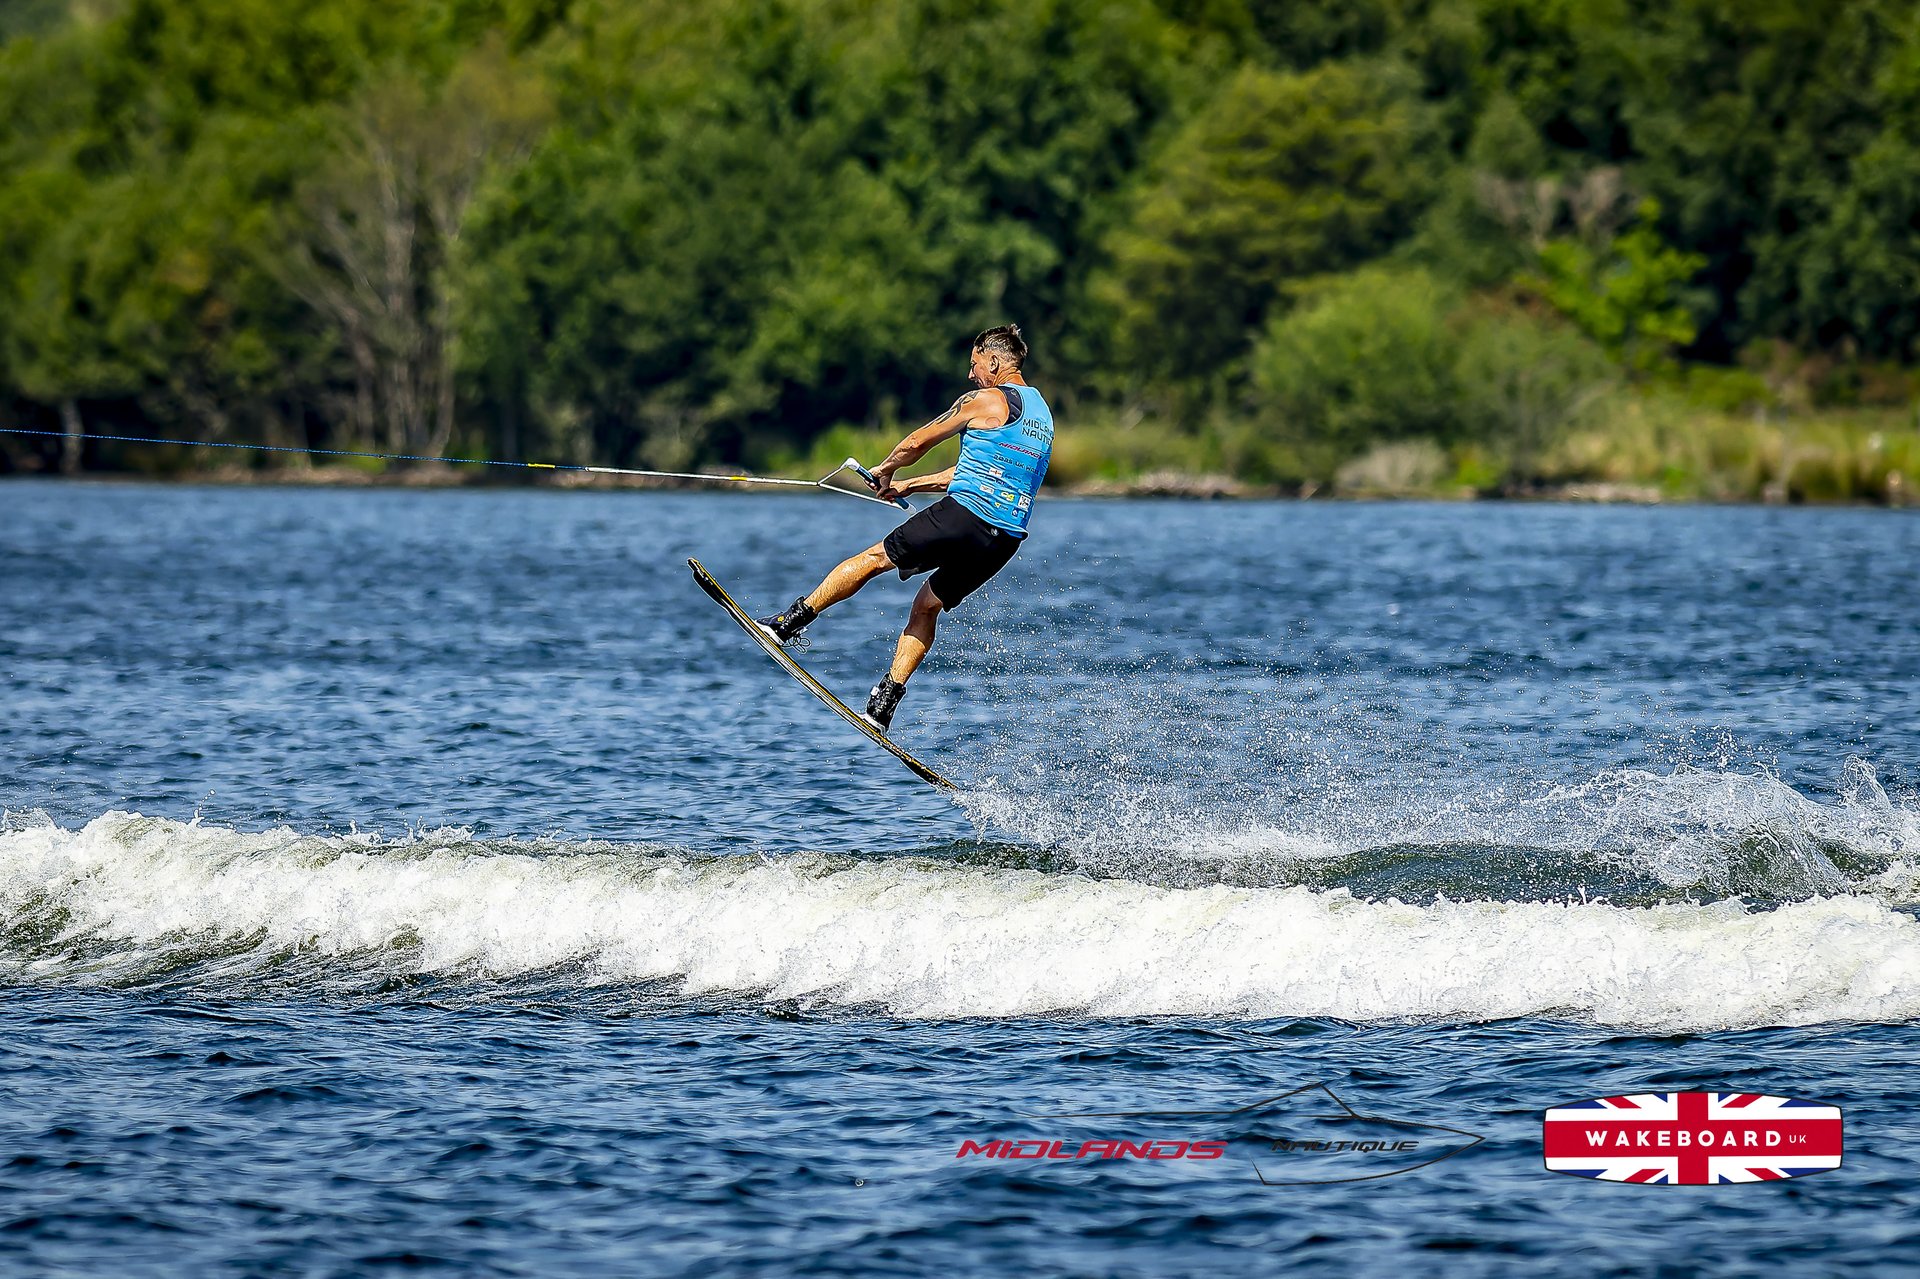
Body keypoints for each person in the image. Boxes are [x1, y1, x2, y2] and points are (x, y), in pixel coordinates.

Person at [756, 324, 1054, 731]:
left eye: (975, 364)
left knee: (875, 558)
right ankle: (884, 704)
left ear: (995, 361)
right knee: (927, 605)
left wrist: (888, 467)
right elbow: (978, 473)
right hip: (1004, 539)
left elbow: (918, 442)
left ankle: (786, 625)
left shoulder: (985, 398)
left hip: (965, 516)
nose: (971, 374)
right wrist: (910, 485)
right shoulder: (1042, 416)